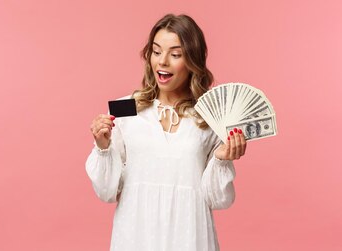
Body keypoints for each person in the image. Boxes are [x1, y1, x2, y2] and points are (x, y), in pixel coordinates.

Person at [86, 14, 247, 251]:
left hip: (190, 236)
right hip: (135, 234)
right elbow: (107, 192)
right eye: (156, 51)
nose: (163, 61)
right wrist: (102, 147)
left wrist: (222, 160)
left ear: (192, 60)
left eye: (175, 54)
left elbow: (218, 199)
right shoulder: (127, 108)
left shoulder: (208, 118)